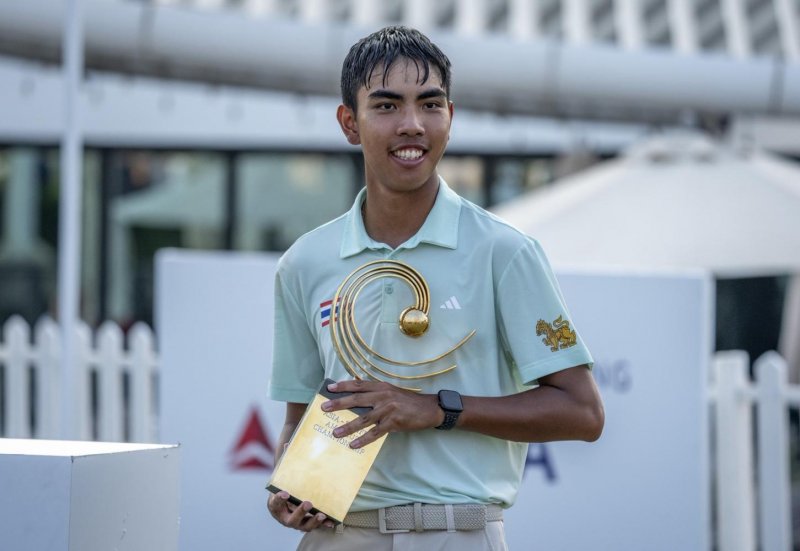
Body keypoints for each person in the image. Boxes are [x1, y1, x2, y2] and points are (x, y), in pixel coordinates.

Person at [267, 25, 604, 550]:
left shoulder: (505, 251)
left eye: (430, 104)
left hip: (456, 534)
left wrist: (437, 408)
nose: (412, 125)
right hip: (339, 538)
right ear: (349, 123)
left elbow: (583, 413)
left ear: (451, 117)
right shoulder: (304, 262)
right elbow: (303, 411)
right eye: (386, 106)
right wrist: (289, 484)